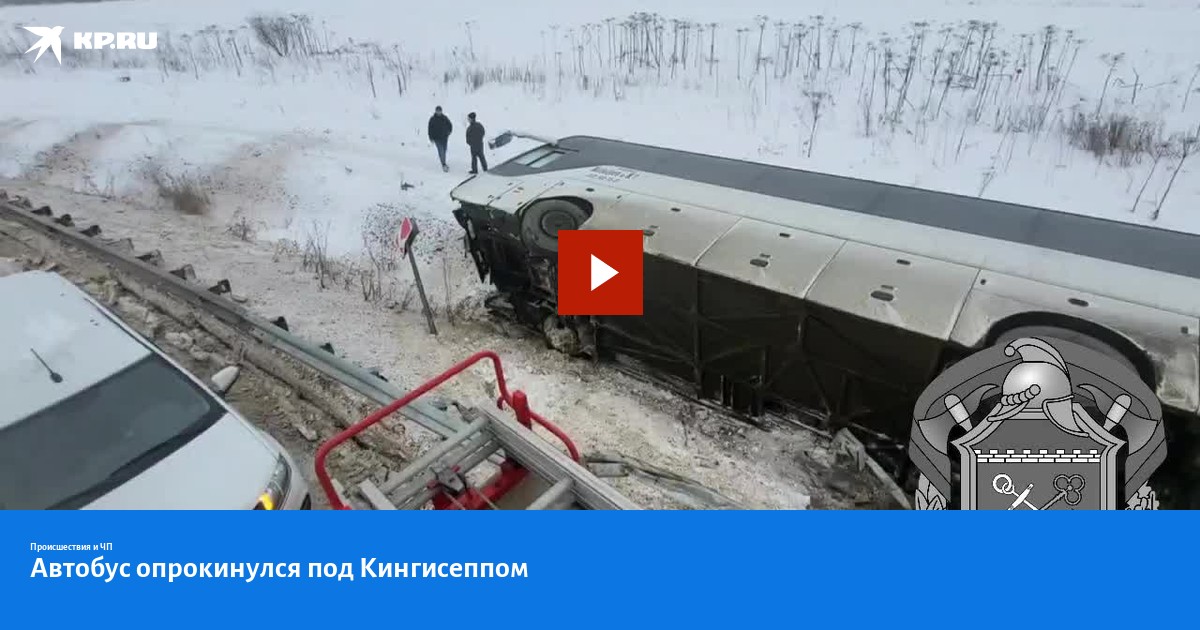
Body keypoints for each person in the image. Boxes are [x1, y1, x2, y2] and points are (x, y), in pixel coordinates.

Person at [427, 106, 452, 172]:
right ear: (435, 111)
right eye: (437, 111)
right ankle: (444, 164)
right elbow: (430, 129)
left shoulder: (444, 118)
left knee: (444, 150)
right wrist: (431, 137)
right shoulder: (432, 119)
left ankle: (443, 161)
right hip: (437, 138)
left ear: (441, 111)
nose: (438, 112)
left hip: (444, 138)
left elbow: (450, 125)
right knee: (441, 151)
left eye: (439, 111)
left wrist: (449, 132)